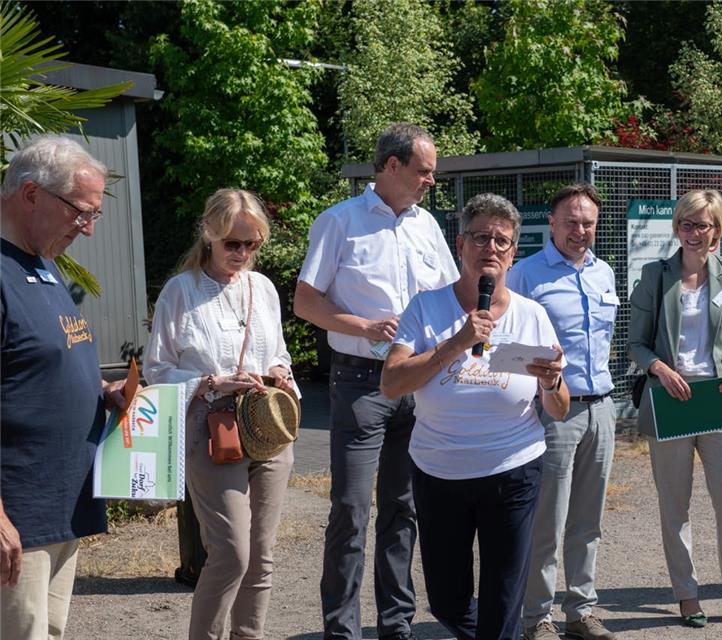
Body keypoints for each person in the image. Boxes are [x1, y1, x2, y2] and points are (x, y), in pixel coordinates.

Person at [294, 123, 459, 640]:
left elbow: (449, 295)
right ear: (392, 166)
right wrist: (361, 327)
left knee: (403, 509)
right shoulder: (338, 222)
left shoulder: (428, 226)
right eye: (424, 170)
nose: (431, 180)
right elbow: (305, 301)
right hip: (362, 384)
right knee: (350, 510)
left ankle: (396, 626)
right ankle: (342, 631)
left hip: (419, 384)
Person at [380, 193, 569, 640]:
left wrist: (550, 381)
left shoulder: (532, 315)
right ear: (460, 244)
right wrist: (457, 342)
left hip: (514, 468)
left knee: (503, 599)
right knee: (446, 600)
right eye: (481, 237)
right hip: (439, 471)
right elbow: (391, 383)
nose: (491, 248)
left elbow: (559, 409)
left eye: (502, 241)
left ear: (513, 252)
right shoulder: (425, 307)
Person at [144, 188, 298, 639]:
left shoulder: (263, 288)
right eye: (234, 243)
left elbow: (281, 353)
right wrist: (210, 383)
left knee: (262, 554)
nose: (243, 253)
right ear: (209, 233)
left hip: (268, 429)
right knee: (231, 552)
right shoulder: (181, 291)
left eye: (253, 244)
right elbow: (156, 370)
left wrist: (279, 371)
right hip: (211, 429)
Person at [0, 134, 129, 639]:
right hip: (17, 521)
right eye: (81, 211)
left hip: (60, 510)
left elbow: (32, 362)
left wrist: (97, 388)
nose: (89, 229)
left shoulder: (43, 266)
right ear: (31, 195)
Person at [628, 189, 722, 628]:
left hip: (718, 400)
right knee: (675, 505)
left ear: (716, 230)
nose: (693, 232)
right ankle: (687, 595)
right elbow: (637, 344)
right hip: (671, 401)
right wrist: (659, 368)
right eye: (685, 223)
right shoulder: (655, 275)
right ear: (676, 228)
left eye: (702, 225)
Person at [508, 184, 618, 640]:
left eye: (588, 222)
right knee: (548, 520)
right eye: (570, 221)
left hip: (602, 408)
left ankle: (581, 610)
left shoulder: (604, 273)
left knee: (588, 520)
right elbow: (507, 344)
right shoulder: (526, 276)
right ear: (550, 223)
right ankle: (537, 616)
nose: (580, 230)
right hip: (553, 411)